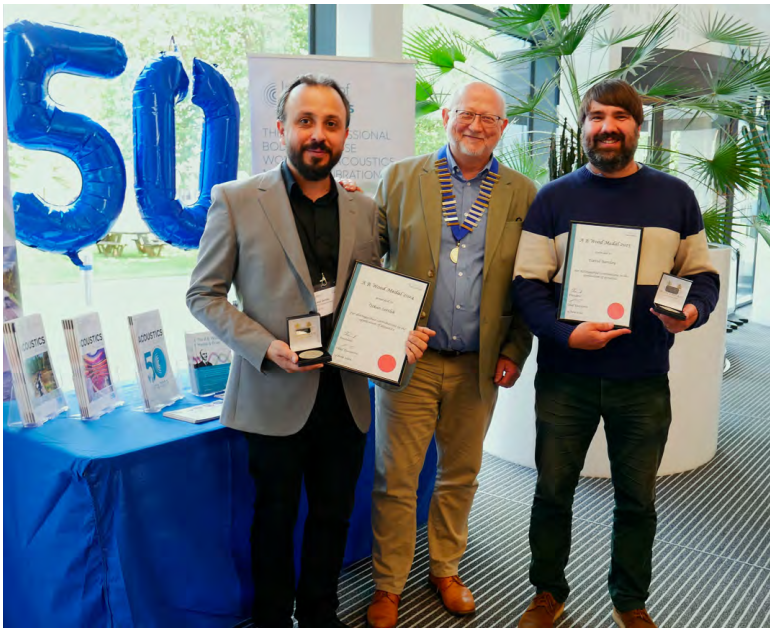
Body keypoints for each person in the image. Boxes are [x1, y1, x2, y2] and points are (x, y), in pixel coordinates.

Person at [186, 74, 432, 628]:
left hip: (345, 395)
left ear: (345, 135)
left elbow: (373, 293)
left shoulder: (364, 209)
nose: (318, 134)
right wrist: (265, 346)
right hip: (273, 392)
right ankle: (272, 619)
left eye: (331, 123)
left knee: (332, 516)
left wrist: (398, 336)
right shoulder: (236, 200)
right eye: (305, 121)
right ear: (282, 129)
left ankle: (322, 613)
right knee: (273, 520)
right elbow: (203, 295)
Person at [513, 79, 720, 629]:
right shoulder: (553, 199)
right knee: (552, 492)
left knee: (637, 499)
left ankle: (630, 600)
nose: (608, 127)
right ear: (584, 127)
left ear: (637, 127)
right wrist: (565, 335)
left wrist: (692, 311)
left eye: (620, 117)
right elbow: (528, 285)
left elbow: (702, 276)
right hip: (566, 376)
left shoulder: (675, 197)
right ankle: (547, 593)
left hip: (642, 376)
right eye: (597, 116)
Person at [365, 82, 536, 628]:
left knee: (460, 474)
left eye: (489, 119)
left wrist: (516, 348)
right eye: (466, 114)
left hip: (477, 365)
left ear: (502, 129)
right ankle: (388, 584)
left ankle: (445, 568)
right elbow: (367, 259)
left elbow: (529, 282)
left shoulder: (522, 193)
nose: (476, 126)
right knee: (396, 478)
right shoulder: (399, 178)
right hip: (409, 360)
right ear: (445, 116)